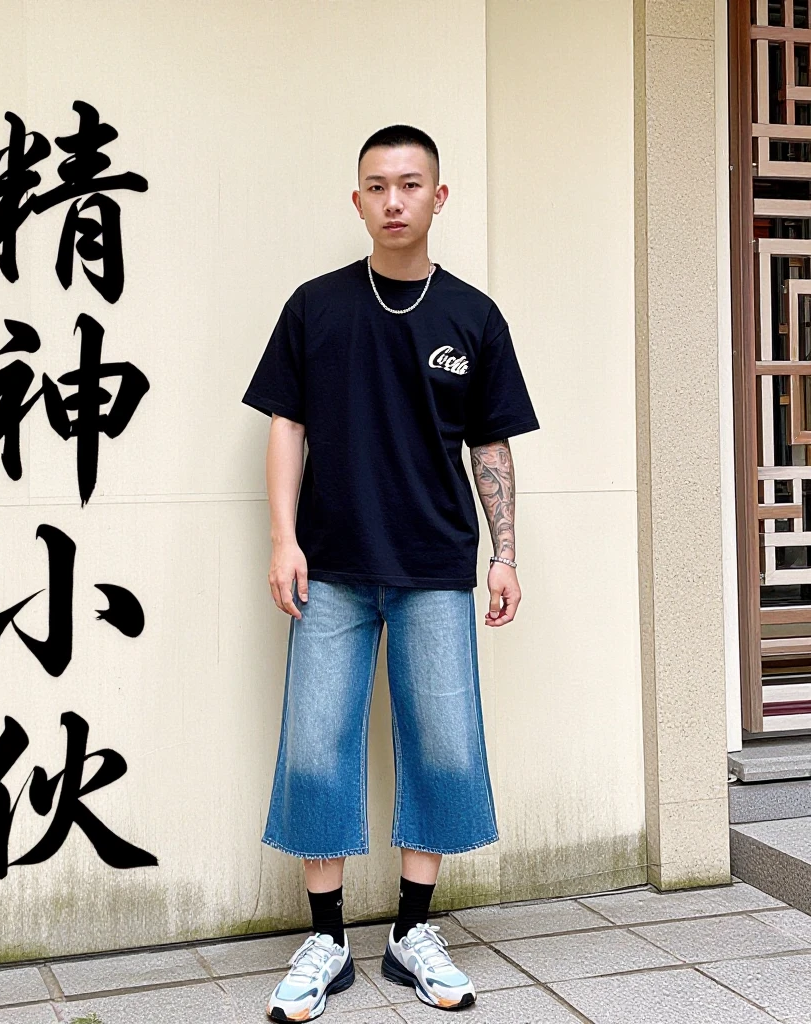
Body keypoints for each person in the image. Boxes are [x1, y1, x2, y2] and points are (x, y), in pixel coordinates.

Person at [241, 124, 540, 1020]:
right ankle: (327, 942)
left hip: (435, 567)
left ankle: (413, 931)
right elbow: (286, 426)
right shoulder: (315, 307)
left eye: (411, 185)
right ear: (358, 200)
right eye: (377, 186)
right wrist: (283, 539)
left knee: (443, 745)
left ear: (438, 197)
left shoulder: (473, 316)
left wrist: (506, 555)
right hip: (330, 566)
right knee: (314, 749)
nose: (394, 200)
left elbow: (490, 445)